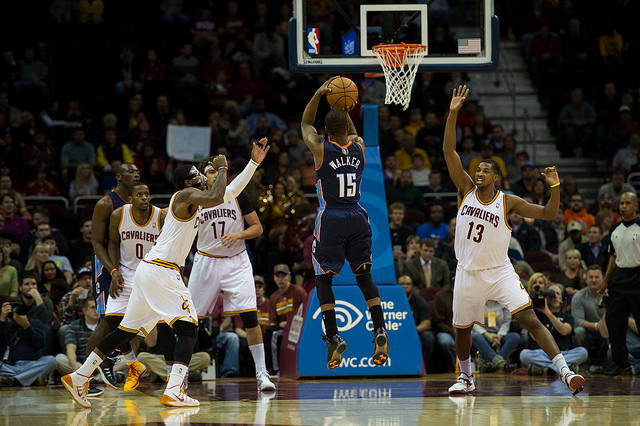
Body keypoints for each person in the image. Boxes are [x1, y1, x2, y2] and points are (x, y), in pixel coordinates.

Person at [61, 143, 267, 408]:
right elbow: (217, 195)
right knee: (189, 327)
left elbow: (230, 192)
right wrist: (223, 167)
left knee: (125, 331)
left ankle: (80, 376)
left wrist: (254, 163)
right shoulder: (185, 195)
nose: (202, 176)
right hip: (162, 270)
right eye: (197, 174)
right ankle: (174, 390)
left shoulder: (196, 199)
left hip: (149, 270)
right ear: (188, 182)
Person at [443, 85, 584, 395]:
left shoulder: (507, 202)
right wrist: (453, 114)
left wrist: (555, 187)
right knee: (461, 329)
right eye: (477, 169)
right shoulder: (465, 190)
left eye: (485, 170)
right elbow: (449, 151)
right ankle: (466, 377)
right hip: (467, 271)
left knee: (530, 318)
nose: (479, 172)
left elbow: (548, 213)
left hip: (499, 271)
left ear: (496, 177)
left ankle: (566, 371)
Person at [301, 77, 389, 369]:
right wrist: (345, 108)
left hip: (332, 217)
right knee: (364, 276)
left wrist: (318, 94)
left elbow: (305, 124)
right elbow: (352, 133)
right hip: (358, 215)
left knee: (323, 278)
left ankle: (334, 336)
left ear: (326, 131)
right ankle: (379, 329)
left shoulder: (321, 149)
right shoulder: (360, 147)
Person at [188, 143, 276, 391]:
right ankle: (180, 374)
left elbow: (257, 228)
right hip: (206, 260)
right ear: (204, 177)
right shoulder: (197, 199)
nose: (216, 175)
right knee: (190, 321)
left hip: (236, 261)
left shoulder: (238, 195)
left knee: (250, 317)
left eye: (219, 171)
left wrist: (239, 235)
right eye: (211, 172)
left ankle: (262, 373)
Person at [86, 163, 139, 390]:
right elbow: (97, 242)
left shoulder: (139, 201)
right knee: (106, 321)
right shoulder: (106, 203)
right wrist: (112, 270)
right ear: (118, 177)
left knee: (133, 321)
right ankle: (85, 377)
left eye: (137, 171)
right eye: (130, 171)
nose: (136, 173)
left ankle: (114, 360)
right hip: (107, 265)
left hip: (131, 264)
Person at [106, 181, 164, 392]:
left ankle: (173, 376)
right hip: (127, 274)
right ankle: (133, 363)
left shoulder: (160, 216)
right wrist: (114, 270)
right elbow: (113, 243)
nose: (144, 198)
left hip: (152, 275)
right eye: (139, 195)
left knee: (158, 329)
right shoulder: (118, 215)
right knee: (112, 319)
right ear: (130, 199)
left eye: (147, 194)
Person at [598, 192, 640, 376]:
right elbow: (613, 257)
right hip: (619, 277)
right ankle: (622, 364)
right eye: (622, 203)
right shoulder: (615, 228)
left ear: (636, 206)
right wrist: (605, 281)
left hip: (638, 276)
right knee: (614, 322)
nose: (624, 206)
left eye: (628, 203)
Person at [520, 283, 588, 375]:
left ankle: (548, 369)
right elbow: (534, 337)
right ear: (546, 298)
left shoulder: (567, 317)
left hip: (563, 353)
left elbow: (564, 331)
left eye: (558, 293)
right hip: (542, 353)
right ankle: (561, 368)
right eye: (551, 294)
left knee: (583, 352)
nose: (555, 296)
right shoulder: (537, 316)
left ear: (562, 297)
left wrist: (548, 312)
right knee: (524, 354)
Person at [0, 297, 57, 387]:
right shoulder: (4, 325)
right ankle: (29, 379)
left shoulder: (35, 323)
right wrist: (2, 320)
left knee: (51, 360)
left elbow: (39, 344)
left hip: (31, 365)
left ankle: (13, 380)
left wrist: (27, 326)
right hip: (8, 366)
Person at [55, 298, 104, 397]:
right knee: (59, 359)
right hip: (80, 365)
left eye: (98, 308)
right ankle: (92, 377)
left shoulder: (105, 326)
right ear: (84, 310)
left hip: (101, 365)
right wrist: (74, 365)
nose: (96, 310)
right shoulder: (74, 326)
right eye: (93, 308)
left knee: (127, 358)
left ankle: (92, 377)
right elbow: (70, 348)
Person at [264, 264, 307, 375]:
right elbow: (272, 322)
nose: (280, 279)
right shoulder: (273, 297)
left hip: (299, 326)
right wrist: (280, 325)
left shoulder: (298, 291)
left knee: (271, 332)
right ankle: (274, 370)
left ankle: (274, 370)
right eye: (277, 276)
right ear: (274, 279)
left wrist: (291, 322)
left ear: (289, 277)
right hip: (284, 329)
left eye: (283, 276)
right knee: (270, 331)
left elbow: (307, 312)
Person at [571, 265, 608, 368]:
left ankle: (607, 364)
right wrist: (596, 326)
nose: (593, 280)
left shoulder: (609, 295)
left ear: (603, 278)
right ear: (585, 279)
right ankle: (584, 364)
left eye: (597, 277)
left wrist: (602, 326)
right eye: (591, 277)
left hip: (606, 328)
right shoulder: (578, 296)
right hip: (587, 331)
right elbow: (578, 320)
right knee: (578, 331)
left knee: (615, 331)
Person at [471, 301, 520, 372]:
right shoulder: (478, 302)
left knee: (515, 337)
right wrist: (487, 335)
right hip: (483, 334)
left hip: (499, 334)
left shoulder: (504, 303)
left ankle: (493, 364)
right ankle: (500, 363)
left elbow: (506, 322)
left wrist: (499, 336)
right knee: (475, 336)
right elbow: (474, 323)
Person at [398, 275, 434, 369]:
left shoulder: (419, 301)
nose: (405, 286)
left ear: (412, 286)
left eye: (408, 284)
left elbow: (426, 323)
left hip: (416, 332)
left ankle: (421, 368)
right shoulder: (392, 301)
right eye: (402, 284)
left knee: (428, 337)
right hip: (396, 331)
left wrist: (413, 331)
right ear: (397, 285)